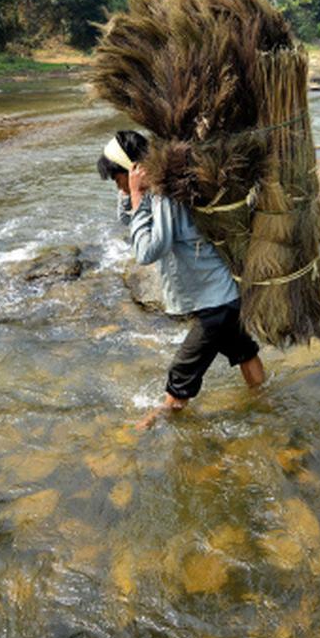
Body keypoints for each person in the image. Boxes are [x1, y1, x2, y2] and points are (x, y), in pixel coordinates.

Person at [98, 130, 266, 430]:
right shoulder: (158, 191)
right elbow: (132, 219)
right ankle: (266, 405)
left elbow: (149, 250)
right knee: (244, 352)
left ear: (132, 170)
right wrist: (131, 195)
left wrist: (136, 194)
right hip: (224, 296)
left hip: (215, 302)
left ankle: (154, 425)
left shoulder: (165, 196)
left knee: (181, 373)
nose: (117, 186)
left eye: (116, 178)